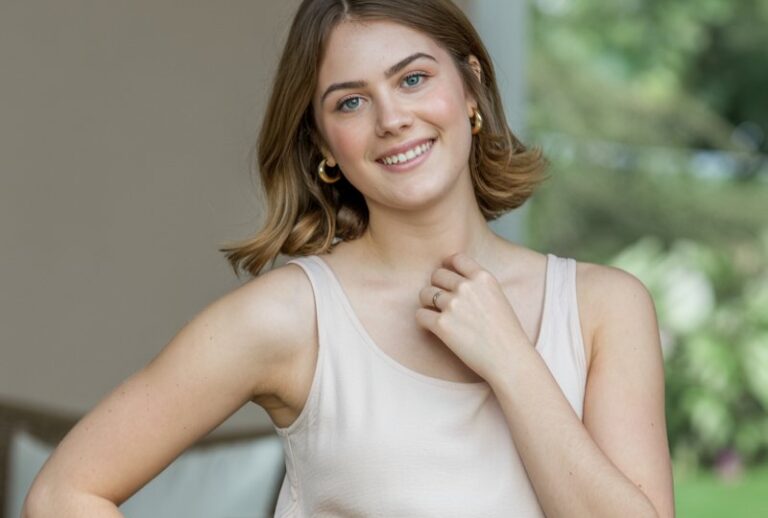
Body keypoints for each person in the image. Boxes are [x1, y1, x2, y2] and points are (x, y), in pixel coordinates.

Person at [23, 0, 675, 516]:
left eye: (414, 78)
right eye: (351, 101)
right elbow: (64, 495)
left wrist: (512, 361)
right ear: (324, 143)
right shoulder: (290, 318)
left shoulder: (603, 309)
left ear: (471, 88)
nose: (392, 118)